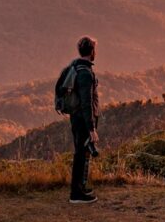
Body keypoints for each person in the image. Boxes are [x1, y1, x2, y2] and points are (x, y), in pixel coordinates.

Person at [66, 35, 100, 204]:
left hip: (77, 118)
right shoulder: (85, 73)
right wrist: (92, 128)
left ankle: (80, 187)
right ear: (92, 51)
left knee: (83, 153)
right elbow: (86, 102)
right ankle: (76, 194)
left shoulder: (78, 67)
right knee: (81, 154)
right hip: (83, 120)